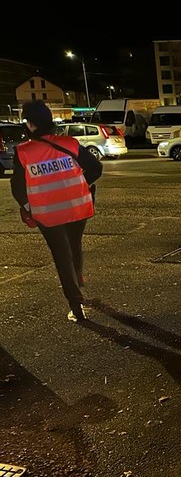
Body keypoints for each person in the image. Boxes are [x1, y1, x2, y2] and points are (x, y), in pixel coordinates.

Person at [10, 100, 103, 323]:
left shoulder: (24, 152)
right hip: (77, 207)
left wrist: (27, 206)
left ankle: (76, 305)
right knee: (74, 247)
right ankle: (78, 279)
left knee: (62, 255)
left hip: (48, 214)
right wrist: (82, 184)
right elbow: (95, 167)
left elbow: (17, 186)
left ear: (30, 124)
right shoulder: (69, 143)